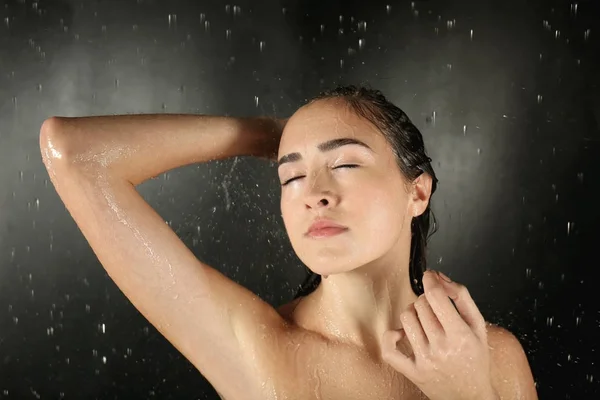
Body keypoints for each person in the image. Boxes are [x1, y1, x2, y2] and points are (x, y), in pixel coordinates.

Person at [39, 85, 537, 400]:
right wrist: (266, 135)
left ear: (417, 191)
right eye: (291, 176)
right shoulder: (258, 347)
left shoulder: (492, 355)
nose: (314, 195)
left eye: (344, 164)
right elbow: (75, 154)